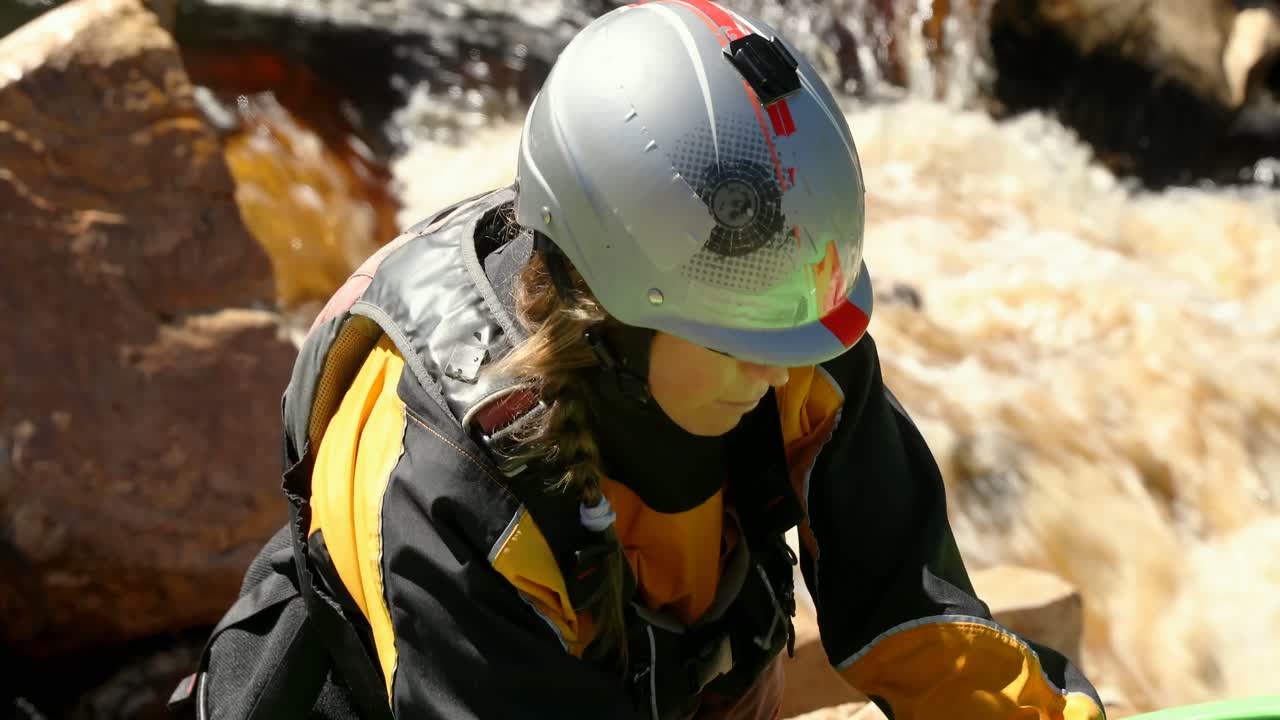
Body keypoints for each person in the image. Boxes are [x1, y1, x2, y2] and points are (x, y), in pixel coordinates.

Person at [170, 1, 1107, 718]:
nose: (781, 378)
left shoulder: (775, 321)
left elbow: (915, 611)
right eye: (740, 350)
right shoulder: (439, 481)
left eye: (797, 344)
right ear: (603, 308)